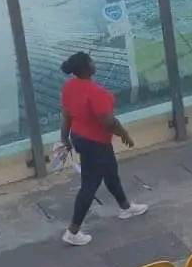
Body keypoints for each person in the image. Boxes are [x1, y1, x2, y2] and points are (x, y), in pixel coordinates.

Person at [59, 51, 147, 246]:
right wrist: (124, 134)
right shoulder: (96, 93)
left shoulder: (69, 87)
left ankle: (125, 207)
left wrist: (64, 138)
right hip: (95, 143)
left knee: (110, 172)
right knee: (90, 185)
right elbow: (108, 122)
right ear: (86, 68)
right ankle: (73, 231)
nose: (94, 63)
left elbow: (66, 115)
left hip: (80, 138)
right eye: (91, 61)